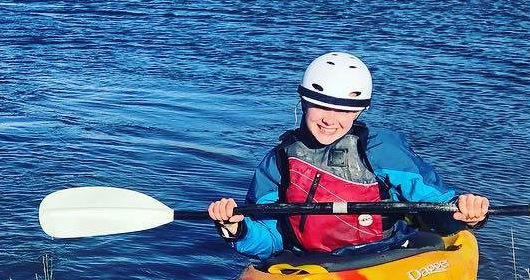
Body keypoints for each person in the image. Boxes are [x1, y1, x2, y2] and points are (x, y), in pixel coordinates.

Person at [207, 52, 490, 260]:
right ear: (304, 102)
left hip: (385, 258)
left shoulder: (383, 149)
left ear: (359, 111)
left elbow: (438, 208)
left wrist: (468, 213)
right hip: (311, 265)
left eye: (344, 110)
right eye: (321, 107)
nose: (330, 119)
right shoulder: (279, 162)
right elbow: (269, 241)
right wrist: (236, 228)